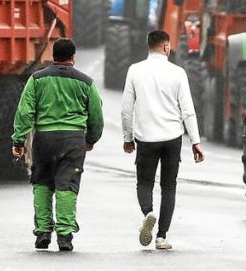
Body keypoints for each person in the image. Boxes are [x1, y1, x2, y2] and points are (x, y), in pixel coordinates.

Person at [13, 38, 103, 252]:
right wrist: (91, 139)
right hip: (73, 141)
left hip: (44, 140)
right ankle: (64, 235)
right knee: (67, 185)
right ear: (73, 56)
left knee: (42, 183)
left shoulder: (36, 79)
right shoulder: (86, 82)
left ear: (53, 56)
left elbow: (25, 112)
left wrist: (19, 140)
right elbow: (96, 116)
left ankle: (43, 232)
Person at [121, 30, 206, 251]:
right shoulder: (178, 72)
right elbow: (188, 111)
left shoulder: (135, 71)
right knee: (169, 186)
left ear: (148, 46)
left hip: (146, 138)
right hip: (172, 137)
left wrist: (128, 138)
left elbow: (126, 110)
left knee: (145, 182)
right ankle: (161, 237)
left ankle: (148, 212)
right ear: (166, 47)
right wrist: (195, 141)